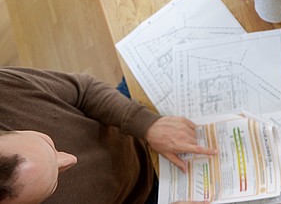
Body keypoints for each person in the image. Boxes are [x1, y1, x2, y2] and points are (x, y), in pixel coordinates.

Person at [0, 67, 216, 203]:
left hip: (127, 127)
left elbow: (84, 90)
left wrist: (147, 124)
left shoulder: (5, 92)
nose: (71, 159)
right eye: (54, 183)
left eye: (46, 142)